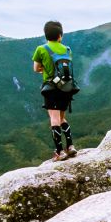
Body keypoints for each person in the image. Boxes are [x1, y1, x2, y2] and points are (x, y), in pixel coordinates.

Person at [31, 21, 78, 161]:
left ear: (46, 35)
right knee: (62, 117)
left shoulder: (41, 49)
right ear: (60, 35)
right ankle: (70, 147)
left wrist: (44, 69)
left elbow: (36, 68)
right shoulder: (67, 50)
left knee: (54, 118)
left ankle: (59, 152)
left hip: (51, 88)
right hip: (66, 88)